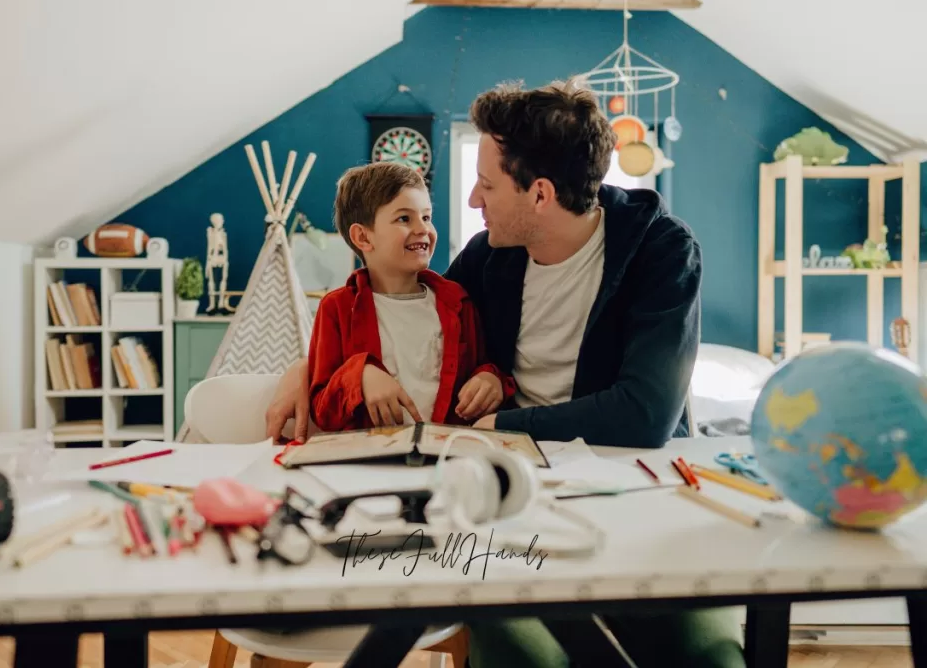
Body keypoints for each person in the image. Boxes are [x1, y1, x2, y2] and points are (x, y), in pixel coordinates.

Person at [265, 78, 744, 668]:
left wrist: (502, 421)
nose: (472, 201)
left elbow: (644, 416)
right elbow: (414, 322)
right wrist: (305, 366)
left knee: (706, 656)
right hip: (507, 499)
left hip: (628, 495)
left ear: (540, 194)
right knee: (525, 655)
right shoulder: (490, 257)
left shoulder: (662, 252)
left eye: (486, 185)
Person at [308, 161, 516, 431]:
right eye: (404, 218)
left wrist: (491, 379)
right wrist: (360, 375)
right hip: (368, 463)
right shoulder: (336, 309)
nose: (423, 229)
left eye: (427, 217)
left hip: (446, 456)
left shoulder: (458, 303)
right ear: (363, 237)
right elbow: (322, 411)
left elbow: (481, 366)